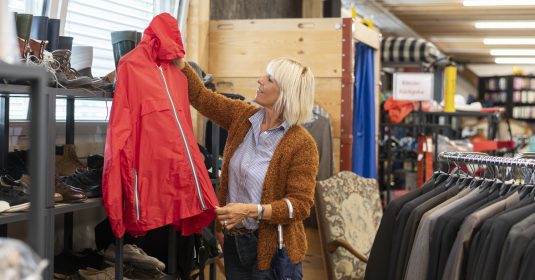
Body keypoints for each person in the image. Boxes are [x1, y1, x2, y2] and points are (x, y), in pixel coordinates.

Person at [176, 57, 319, 279]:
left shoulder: (302, 144)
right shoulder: (243, 116)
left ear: (286, 92)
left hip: (273, 250)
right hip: (235, 242)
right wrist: (180, 63)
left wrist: (250, 210)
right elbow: (201, 97)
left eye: (269, 79)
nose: (260, 80)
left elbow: (299, 206)